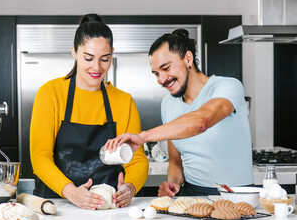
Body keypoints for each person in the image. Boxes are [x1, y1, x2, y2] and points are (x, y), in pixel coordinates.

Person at [105, 29, 254, 196]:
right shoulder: (168, 104)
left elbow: (202, 121)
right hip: (191, 195)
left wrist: (143, 136)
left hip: (237, 195)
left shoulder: (228, 86)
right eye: (156, 74)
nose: (161, 79)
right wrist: (172, 184)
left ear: (188, 59)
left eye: (166, 68)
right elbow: (176, 161)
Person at [30, 13, 148, 209]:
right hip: (58, 205)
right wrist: (71, 192)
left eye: (104, 59)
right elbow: (40, 157)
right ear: (74, 52)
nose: (97, 67)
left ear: (112, 54)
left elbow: (136, 160)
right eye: (88, 58)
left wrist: (130, 188)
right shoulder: (50, 93)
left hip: (107, 207)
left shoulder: (123, 101)